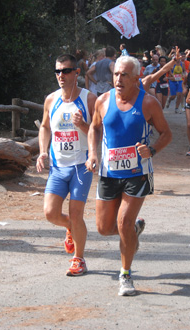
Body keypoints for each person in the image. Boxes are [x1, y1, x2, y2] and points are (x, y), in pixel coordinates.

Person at [86, 55, 172, 296]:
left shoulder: (149, 103)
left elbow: (166, 133)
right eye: (116, 74)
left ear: (136, 78)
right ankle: (133, 231)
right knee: (104, 228)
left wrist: (152, 149)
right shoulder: (102, 101)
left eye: (124, 75)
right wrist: (93, 153)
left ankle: (125, 275)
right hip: (109, 173)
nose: (119, 79)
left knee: (122, 223)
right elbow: (93, 127)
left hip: (138, 173)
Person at [36, 54, 97, 276]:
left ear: (77, 73)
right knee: (50, 213)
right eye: (58, 71)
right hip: (58, 166)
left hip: (82, 166)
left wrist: (83, 125)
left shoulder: (89, 99)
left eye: (66, 71)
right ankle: (70, 228)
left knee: (76, 213)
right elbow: (44, 127)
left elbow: (97, 132)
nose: (61, 75)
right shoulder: (51, 100)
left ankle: (78, 259)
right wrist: (43, 151)